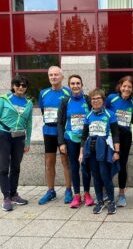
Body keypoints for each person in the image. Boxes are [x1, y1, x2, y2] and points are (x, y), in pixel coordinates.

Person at [0, 75, 33, 211]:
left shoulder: (29, 104)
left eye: (23, 85)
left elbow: (29, 124)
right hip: (3, 135)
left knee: (16, 166)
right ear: (13, 86)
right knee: (3, 167)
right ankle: (6, 197)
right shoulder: (4, 99)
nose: (21, 87)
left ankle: (14, 194)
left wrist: (27, 142)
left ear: (26, 88)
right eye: (18, 84)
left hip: (19, 137)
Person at [79, 88, 120, 215]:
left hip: (105, 149)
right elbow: (84, 135)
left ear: (103, 100)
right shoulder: (88, 115)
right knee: (95, 176)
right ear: (90, 101)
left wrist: (116, 152)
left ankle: (112, 201)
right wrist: (81, 153)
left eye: (98, 98)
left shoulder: (110, 114)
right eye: (93, 99)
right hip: (91, 150)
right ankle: (100, 201)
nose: (95, 101)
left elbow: (116, 135)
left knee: (105, 175)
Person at [57, 75, 94, 208]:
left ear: (82, 84)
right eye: (72, 83)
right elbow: (60, 123)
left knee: (85, 166)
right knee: (73, 166)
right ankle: (77, 195)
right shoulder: (65, 101)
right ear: (69, 85)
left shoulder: (88, 100)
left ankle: (87, 193)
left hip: (85, 139)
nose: (75, 86)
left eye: (78, 83)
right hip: (70, 139)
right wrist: (61, 142)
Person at [38, 66, 72, 205]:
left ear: (62, 77)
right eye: (51, 75)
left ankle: (69, 190)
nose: (53, 77)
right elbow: (42, 111)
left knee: (65, 161)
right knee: (49, 162)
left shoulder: (68, 92)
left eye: (56, 75)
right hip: (48, 131)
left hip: (63, 132)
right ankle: (51, 191)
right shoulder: (43, 93)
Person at [105, 76, 133, 207]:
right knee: (107, 163)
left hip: (126, 137)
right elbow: (105, 113)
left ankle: (122, 194)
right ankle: (105, 191)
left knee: (122, 165)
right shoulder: (111, 98)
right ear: (120, 86)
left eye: (129, 87)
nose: (126, 89)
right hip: (111, 136)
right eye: (124, 86)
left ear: (132, 89)